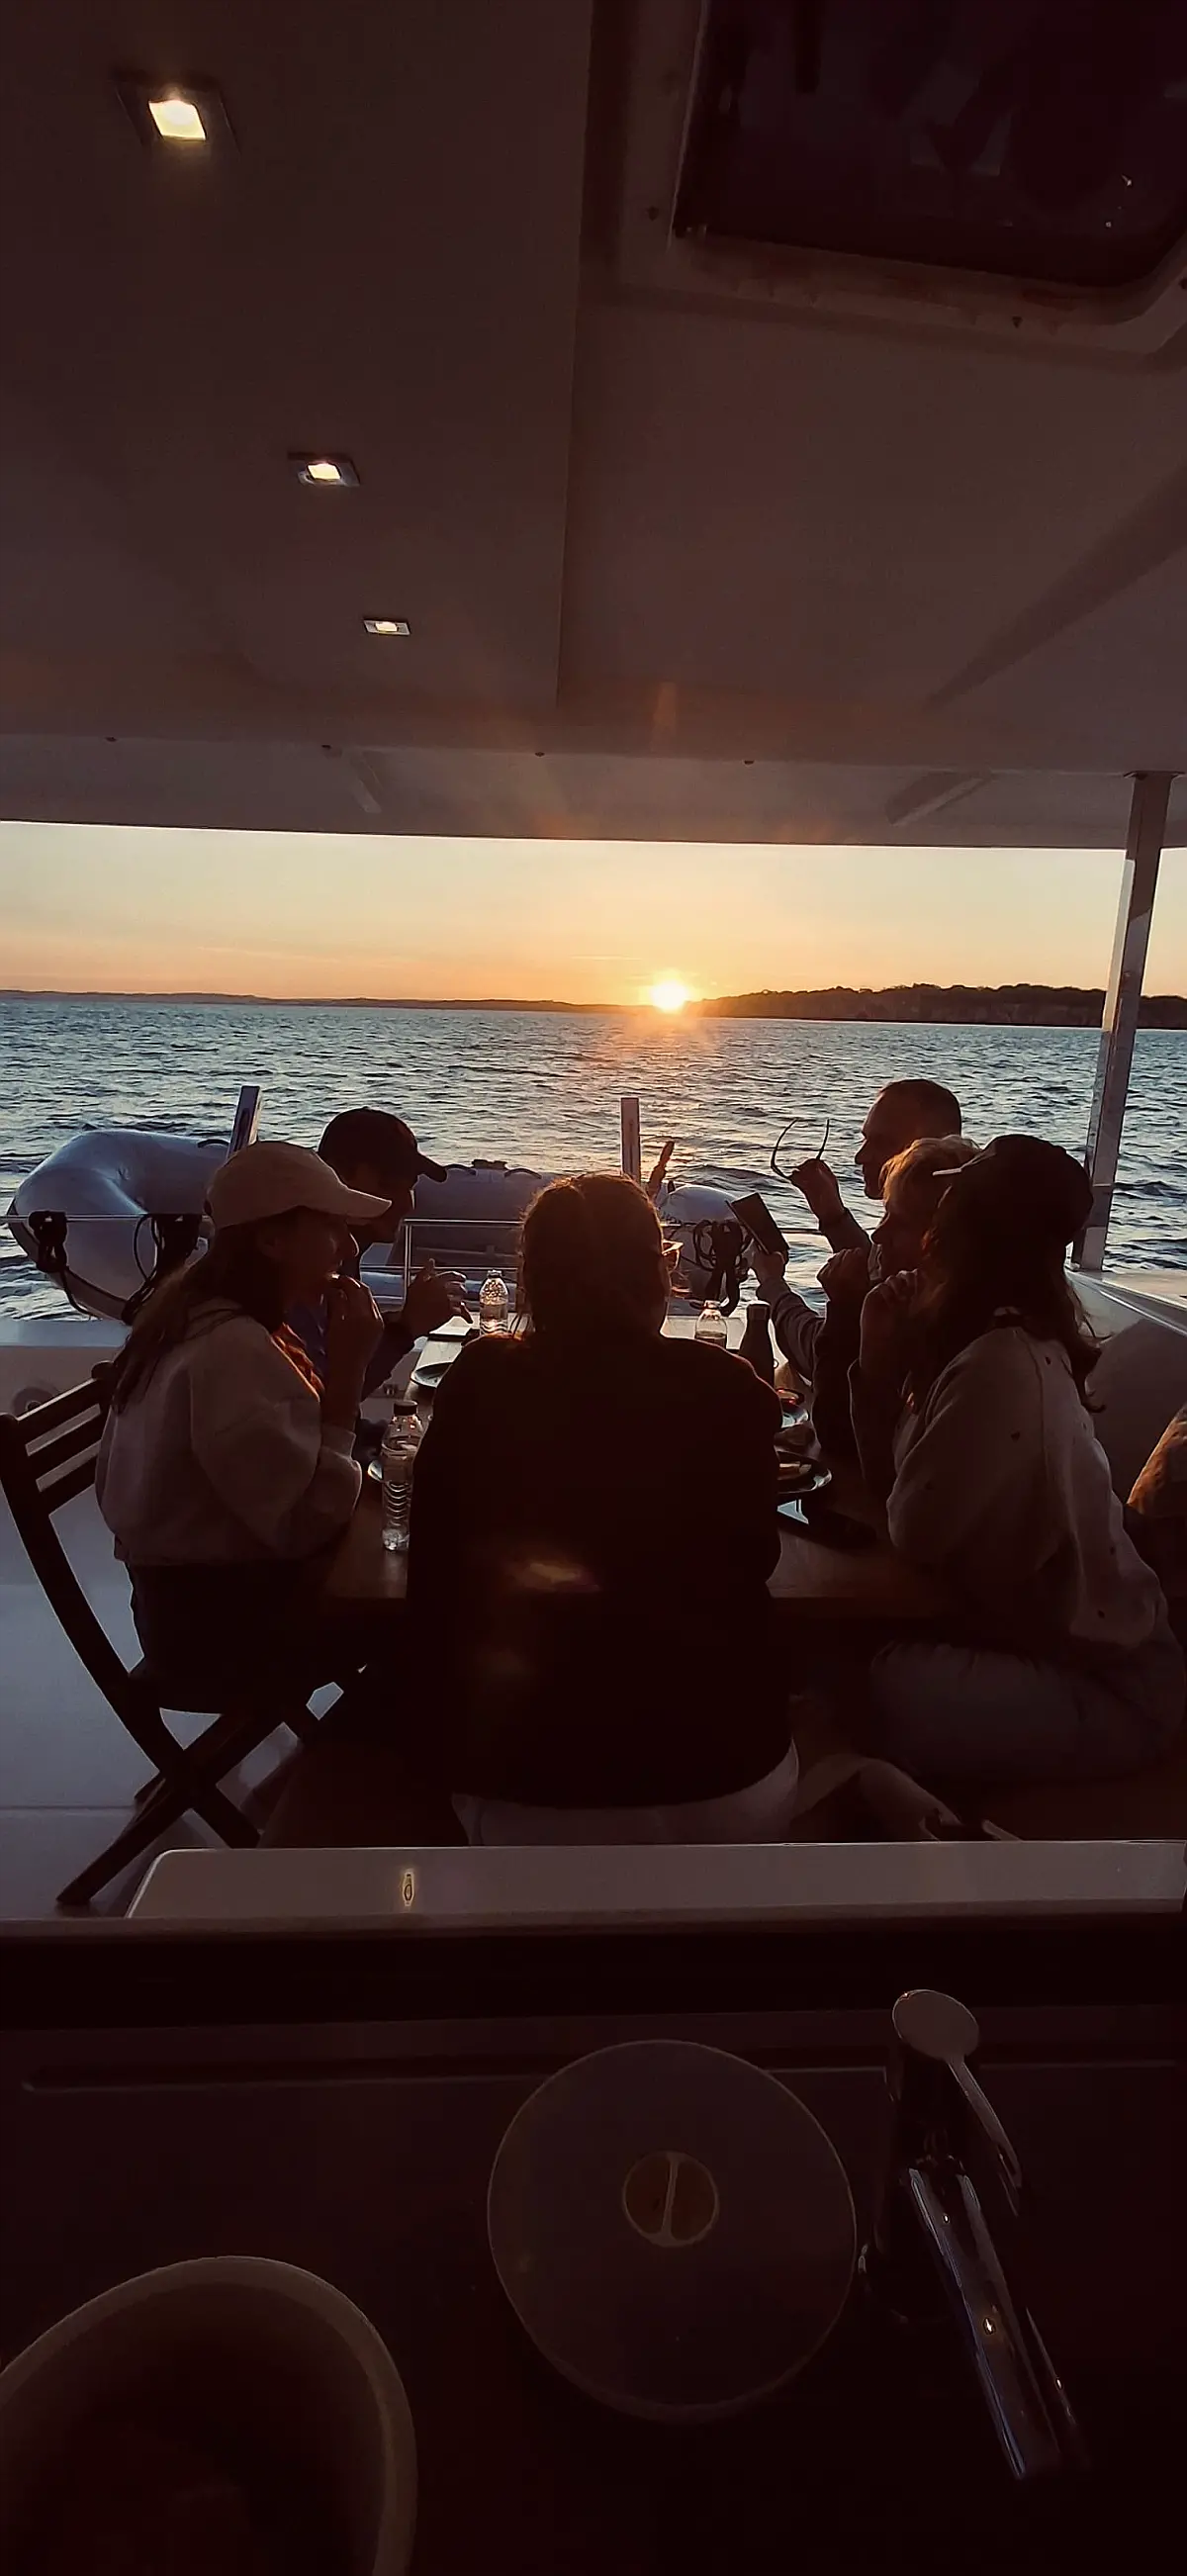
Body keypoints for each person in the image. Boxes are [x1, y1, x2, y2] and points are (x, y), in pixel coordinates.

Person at [408, 1173, 797, 1841]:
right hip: (725, 1779)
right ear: (656, 1276)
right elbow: (756, 1556)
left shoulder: (479, 1381)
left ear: (533, 1281)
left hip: (525, 1790)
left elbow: (436, 1565)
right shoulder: (729, 1387)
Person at [849, 1136, 1184, 1784]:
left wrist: (882, 1371)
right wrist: (879, 1362)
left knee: (876, 1682)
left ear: (958, 1236)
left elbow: (911, 1532)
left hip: (1108, 1683)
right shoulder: (985, 1341)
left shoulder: (999, 1365)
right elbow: (895, 1496)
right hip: (1034, 1641)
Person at [96, 1141, 385, 1700]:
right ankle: (362, 1750)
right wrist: (349, 1374)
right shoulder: (232, 1350)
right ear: (272, 1240)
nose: (350, 1246)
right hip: (222, 1630)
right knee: (434, 1607)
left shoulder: (196, 1318)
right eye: (332, 1227)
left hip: (179, 1607)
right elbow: (305, 1525)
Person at [754, 1129, 976, 1445]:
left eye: (899, 1221)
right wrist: (832, 1217)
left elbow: (839, 1433)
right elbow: (875, 1264)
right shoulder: (955, 1303)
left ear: (943, 1241)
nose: (878, 1235)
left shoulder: (918, 1326)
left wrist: (780, 1289)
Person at [754, 1078, 962, 1389]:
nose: (860, 1157)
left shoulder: (930, 1254)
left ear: (931, 1149)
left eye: (882, 1142)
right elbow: (875, 1269)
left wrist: (773, 1286)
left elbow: (824, 1358)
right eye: (865, 1139)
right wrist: (833, 1217)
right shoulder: (948, 1223)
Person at [288, 1107, 466, 1391]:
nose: (407, 1204)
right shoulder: (301, 1274)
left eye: (410, 1186)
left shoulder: (343, 1261)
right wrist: (405, 1328)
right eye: (392, 1184)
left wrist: (403, 1320)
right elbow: (322, 1396)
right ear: (339, 1177)